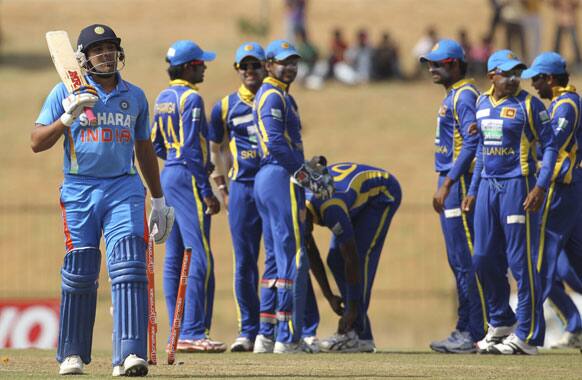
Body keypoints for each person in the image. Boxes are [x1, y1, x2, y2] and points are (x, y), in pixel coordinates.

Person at [32, 24, 174, 376]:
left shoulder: (135, 96)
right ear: (83, 58)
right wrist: (68, 116)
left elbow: (144, 148)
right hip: (79, 189)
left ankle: (129, 355)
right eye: (98, 50)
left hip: (123, 188)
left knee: (129, 264)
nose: (106, 55)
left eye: (110, 48)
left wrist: (158, 200)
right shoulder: (63, 91)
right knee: (80, 270)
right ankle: (72, 354)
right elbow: (36, 141)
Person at [463, 49, 558, 355]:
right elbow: (479, 152)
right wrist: (473, 189)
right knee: (482, 258)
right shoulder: (480, 103)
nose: (515, 79)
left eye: (518, 73)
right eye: (508, 74)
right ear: (492, 75)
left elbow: (551, 147)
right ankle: (501, 320)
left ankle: (528, 336)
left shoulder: (529, 105)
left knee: (520, 262)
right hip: (488, 188)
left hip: (519, 186)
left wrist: (540, 187)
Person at [252, 39, 332, 353]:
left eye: (294, 62)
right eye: (283, 62)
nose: (290, 67)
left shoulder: (278, 94)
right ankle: (289, 337)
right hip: (278, 175)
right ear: (268, 65)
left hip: (270, 176)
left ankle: (265, 334)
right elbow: (275, 142)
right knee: (293, 256)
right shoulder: (273, 94)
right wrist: (303, 172)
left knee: (274, 258)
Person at [151, 40, 225, 353]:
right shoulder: (192, 98)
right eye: (200, 63)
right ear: (187, 67)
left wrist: (175, 160)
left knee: (174, 256)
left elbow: (155, 144)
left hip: (169, 174)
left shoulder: (162, 97)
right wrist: (206, 190)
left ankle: (178, 333)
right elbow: (194, 149)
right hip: (188, 176)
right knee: (198, 252)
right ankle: (193, 331)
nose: (205, 66)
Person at [420, 39, 487, 354]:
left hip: (458, 183)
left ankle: (476, 330)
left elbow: (471, 145)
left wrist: (448, 183)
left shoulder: (464, 95)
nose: (432, 68)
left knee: (466, 258)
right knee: (456, 259)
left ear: (457, 64)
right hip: (450, 180)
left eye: (440, 63)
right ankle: (464, 326)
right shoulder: (454, 95)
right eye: (430, 63)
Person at [208, 42, 270, 352]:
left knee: (277, 260)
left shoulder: (276, 100)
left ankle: (274, 331)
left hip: (272, 189)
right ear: (237, 70)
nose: (249, 71)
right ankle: (248, 331)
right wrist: (222, 189)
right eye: (244, 66)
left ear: (265, 67)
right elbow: (215, 149)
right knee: (244, 262)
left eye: (255, 65)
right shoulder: (224, 106)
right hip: (242, 190)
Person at [305, 162, 401, 353]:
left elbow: (352, 259)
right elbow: (310, 251)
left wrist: (352, 309)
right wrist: (329, 295)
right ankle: (360, 333)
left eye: (303, 230)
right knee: (334, 259)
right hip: (353, 198)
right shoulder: (298, 208)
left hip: (382, 195)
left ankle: (357, 332)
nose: (303, 235)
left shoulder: (331, 208)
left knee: (360, 256)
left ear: (305, 217)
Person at [521, 51, 582, 339]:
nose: (533, 85)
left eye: (536, 78)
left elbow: (552, 148)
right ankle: (575, 325)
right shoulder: (562, 104)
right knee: (571, 268)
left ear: (550, 78)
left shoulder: (566, 106)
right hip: (570, 190)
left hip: (559, 189)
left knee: (540, 257)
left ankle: (528, 332)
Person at [551, 0, 582, 69]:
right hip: (561, 21)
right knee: (557, 45)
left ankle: (579, 64)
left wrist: (569, 4)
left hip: (571, 21)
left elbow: (578, 4)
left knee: (575, 45)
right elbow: (553, 3)